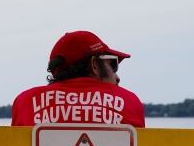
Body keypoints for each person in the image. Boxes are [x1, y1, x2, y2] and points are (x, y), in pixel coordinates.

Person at [11, 30, 145, 127]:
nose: (117, 77)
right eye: (113, 65)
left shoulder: (25, 103)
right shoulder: (129, 102)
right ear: (94, 65)